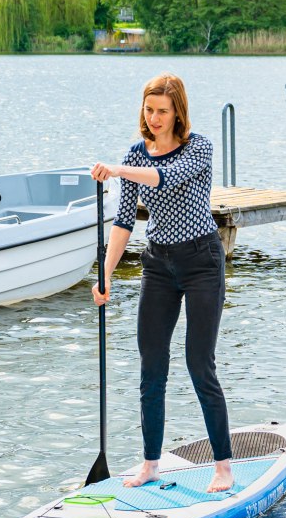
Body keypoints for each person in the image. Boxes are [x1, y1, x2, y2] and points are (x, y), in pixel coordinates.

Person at [90, 72, 233, 493]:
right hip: (157, 265)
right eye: (149, 110)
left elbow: (163, 178)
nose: (154, 118)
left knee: (198, 363)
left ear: (178, 112)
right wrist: (105, 274)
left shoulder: (199, 148)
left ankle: (223, 465)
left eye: (163, 111)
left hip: (202, 261)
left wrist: (119, 171)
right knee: (151, 367)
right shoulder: (136, 152)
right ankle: (151, 463)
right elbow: (122, 222)